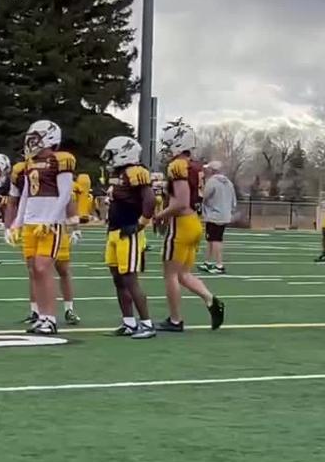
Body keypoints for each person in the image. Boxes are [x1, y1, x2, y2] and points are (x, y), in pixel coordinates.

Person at [2, 120, 75, 335]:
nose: (31, 142)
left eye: (36, 138)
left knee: (43, 268)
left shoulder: (60, 160)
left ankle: (50, 319)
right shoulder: (30, 163)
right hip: (31, 222)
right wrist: (17, 223)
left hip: (49, 224)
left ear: (50, 138)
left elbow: (65, 194)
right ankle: (42, 317)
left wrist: (51, 220)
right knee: (35, 270)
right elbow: (25, 194)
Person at [153, 119, 224, 333]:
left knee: (170, 274)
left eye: (168, 146)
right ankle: (211, 299)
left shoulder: (177, 166)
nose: (166, 151)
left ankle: (175, 320)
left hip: (182, 224)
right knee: (183, 274)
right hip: (194, 222)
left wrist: (159, 215)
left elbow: (181, 202)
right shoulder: (195, 166)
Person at [100, 136, 157, 338]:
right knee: (118, 279)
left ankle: (147, 324)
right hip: (115, 231)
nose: (109, 159)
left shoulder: (136, 172)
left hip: (128, 231)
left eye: (112, 154)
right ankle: (129, 323)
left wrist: (140, 224)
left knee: (130, 279)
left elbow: (150, 199)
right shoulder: (119, 174)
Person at [199, 161, 237, 275]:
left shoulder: (212, 181)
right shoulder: (229, 182)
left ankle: (219, 265)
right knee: (211, 239)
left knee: (215, 239)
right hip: (224, 214)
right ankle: (207, 262)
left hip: (214, 215)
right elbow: (234, 200)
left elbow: (205, 196)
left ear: (212, 170)